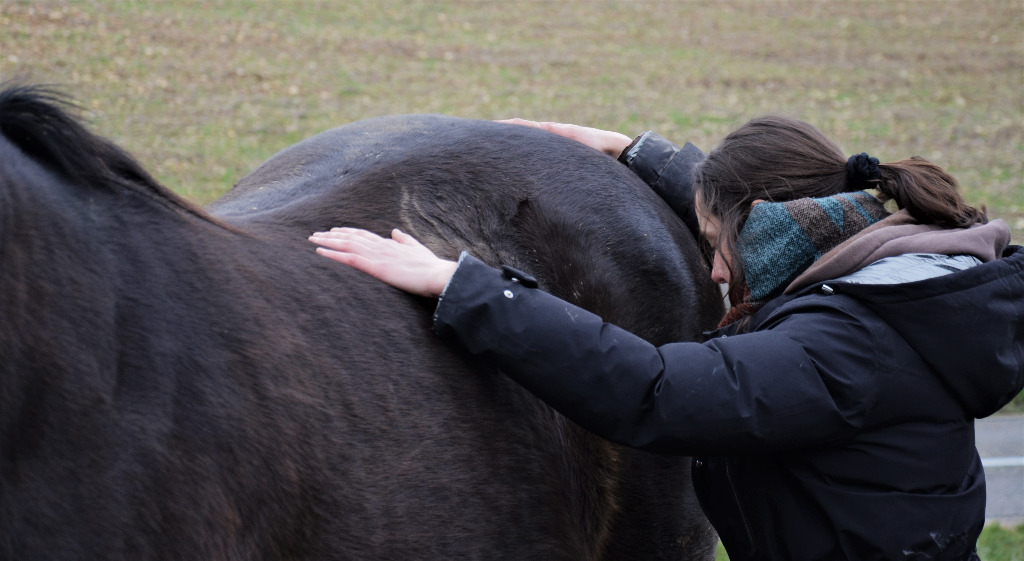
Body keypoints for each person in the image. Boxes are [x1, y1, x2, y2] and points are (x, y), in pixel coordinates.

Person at [308, 115, 1024, 560]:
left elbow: (654, 391)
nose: (714, 268)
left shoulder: (841, 349)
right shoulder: (902, 278)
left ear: (769, 229)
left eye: (717, 244)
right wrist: (639, 153)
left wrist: (462, 287)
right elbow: (762, 215)